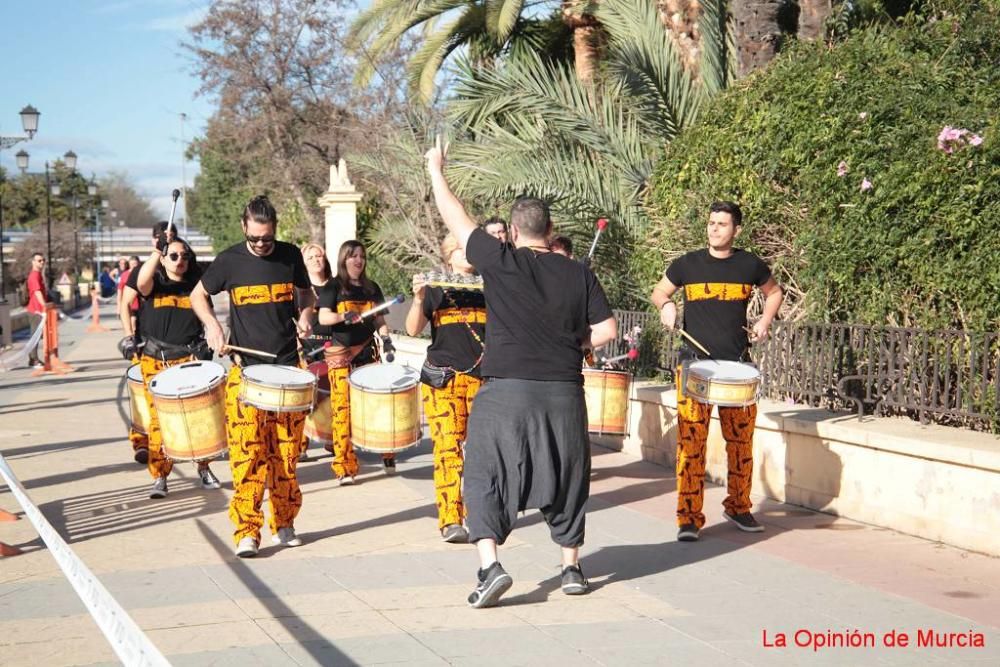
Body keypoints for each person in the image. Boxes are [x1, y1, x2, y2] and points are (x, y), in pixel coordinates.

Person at [425, 138, 618, 608]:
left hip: (505, 390)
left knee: (483, 472)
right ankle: (571, 568)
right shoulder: (578, 273)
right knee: (570, 474)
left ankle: (490, 565)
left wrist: (435, 169)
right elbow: (608, 329)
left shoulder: (501, 260)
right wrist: (577, 345)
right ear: (551, 230)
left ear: (511, 231)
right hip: (563, 391)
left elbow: (454, 216)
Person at [649, 200, 783, 542]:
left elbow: (774, 292)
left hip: (737, 364)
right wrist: (666, 305)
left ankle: (739, 506)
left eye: (722, 224)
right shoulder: (687, 264)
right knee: (691, 445)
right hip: (693, 365)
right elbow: (659, 291)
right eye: (711, 223)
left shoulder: (749, 264)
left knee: (741, 444)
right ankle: (688, 518)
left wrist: (765, 322)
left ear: (736, 229)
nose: (714, 228)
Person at [190, 195, 315, 558]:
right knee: (248, 457)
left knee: (287, 456)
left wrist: (306, 315)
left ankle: (285, 522)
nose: (262, 244)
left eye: (267, 238)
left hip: (288, 369)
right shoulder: (229, 260)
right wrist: (212, 325)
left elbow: (306, 296)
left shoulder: (290, 256)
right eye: (255, 238)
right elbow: (198, 295)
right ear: (244, 227)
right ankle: (247, 531)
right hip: (246, 373)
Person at [123, 236, 221, 498]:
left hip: (188, 361)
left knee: (198, 419)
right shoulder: (154, 285)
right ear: (164, 259)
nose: (180, 261)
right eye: (174, 256)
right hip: (155, 361)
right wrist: (156, 252)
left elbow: (208, 319)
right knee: (158, 422)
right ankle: (160, 476)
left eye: (185, 256)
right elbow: (140, 282)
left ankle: (204, 468)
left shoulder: (196, 288)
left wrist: (212, 340)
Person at [405, 234, 485, 543]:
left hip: (481, 378)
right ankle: (451, 519)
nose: (466, 253)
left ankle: (480, 514)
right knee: (448, 449)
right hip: (444, 379)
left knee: (481, 452)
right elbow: (412, 329)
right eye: (459, 248)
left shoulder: (489, 287)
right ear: (448, 256)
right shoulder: (435, 289)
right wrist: (417, 298)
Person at [316, 240, 396, 483]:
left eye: (361, 255)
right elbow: (323, 316)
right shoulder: (333, 286)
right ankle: (344, 466)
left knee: (377, 407)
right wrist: (342, 315)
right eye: (353, 256)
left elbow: (379, 319)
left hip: (368, 354)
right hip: (341, 357)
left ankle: (387, 453)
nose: (358, 260)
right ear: (343, 259)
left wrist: (386, 338)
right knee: (342, 411)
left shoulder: (372, 288)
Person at [121, 225, 177, 465]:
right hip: (147, 346)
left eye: (170, 237)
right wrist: (129, 336)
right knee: (143, 400)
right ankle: (141, 442)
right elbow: (125, 303)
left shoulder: (182, 266)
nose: (166, 242)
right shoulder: (143, 271)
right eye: (161, 238)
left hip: (177, 350)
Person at [299, 242, 334, 459]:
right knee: (305, 400)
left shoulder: (336, 286)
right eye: (310, 257)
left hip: (332, 347)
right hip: (306, 347)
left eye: (319, 256)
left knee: (332, 398)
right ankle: (301, 445)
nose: (315, 260)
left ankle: (332, 440)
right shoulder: (300, 289)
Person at [24, 253, 49, 369]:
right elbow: (37, 291)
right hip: (36, 310)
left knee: (38, 335)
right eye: (39, 260)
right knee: (35, 336)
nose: (42, 262)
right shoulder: (34, 276)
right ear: (33, 262)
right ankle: (34, 360)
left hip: (38, 310)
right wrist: (44, 305)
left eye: (43, 260)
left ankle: (33, 359)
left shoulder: (38, 274)